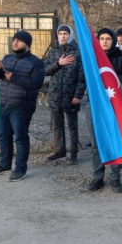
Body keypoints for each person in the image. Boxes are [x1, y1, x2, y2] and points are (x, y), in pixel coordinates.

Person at [0, 31, 45, 182]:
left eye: (19, 41)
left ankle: (20, 169)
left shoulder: (36, 63)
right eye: (14, 40)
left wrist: (14, 77)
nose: (15, 43)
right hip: (4, 104)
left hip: (22, 106)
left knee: (20, 138)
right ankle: (5, 164)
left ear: (27, 44)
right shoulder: (8, 58)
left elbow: (36, 84)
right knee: (3, 136)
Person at [87, 28, 122, 193]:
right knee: (96, 143)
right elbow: (81, 77)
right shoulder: (91, 58)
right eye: (102, 38)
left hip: (115, 105)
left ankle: (115, 177)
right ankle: (97, 176)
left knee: (115, 140)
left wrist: (109, 78)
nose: (105, 41)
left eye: (108, 38)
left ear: (113, 40)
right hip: (95, 106)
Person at [43, 25, 85, 165]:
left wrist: (78, 95)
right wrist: (58, 63)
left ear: (70, 35)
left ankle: (73, 153)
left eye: (65, 33)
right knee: (57, 124)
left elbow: (82, 77)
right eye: (60, 33)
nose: (62, 36)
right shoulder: (54, 51)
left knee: (72, 125)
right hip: (55, 94)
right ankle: (60, 150)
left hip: (70, 95)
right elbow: (45, 70)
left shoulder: (78, 52)